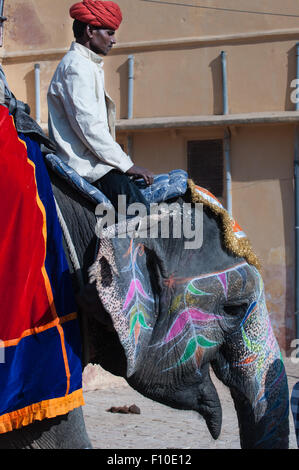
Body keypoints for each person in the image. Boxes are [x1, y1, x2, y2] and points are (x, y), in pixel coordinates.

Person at [47, 0, 154, 217]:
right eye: (110, 32)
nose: (114, 40)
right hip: (88, 168)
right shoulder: (76, 67)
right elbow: (89, 127)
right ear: (90, 31)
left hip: (99, 163)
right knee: (143, 218)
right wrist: (127, 165)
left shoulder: (87, 65)